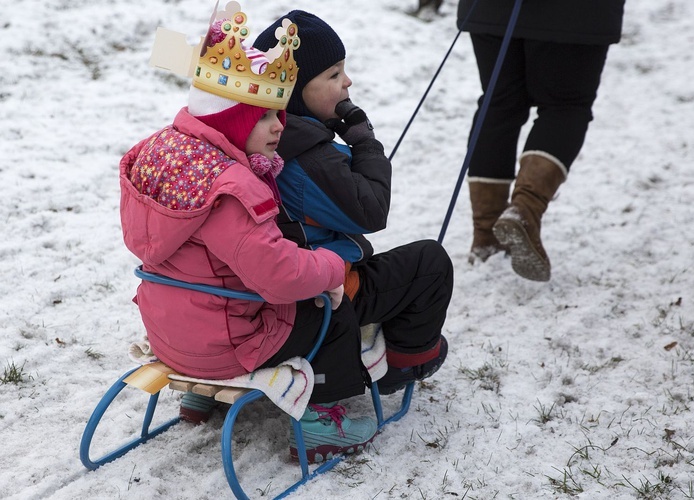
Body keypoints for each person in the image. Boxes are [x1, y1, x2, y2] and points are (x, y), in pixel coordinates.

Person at [120, 8, 378, 463]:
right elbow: (279, 276)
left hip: (168, 333)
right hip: (227, 345)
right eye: (264, 118)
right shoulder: (231, 188)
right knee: (327, 310)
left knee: (207, 277)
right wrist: (333, 266)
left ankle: (200, 398)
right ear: (235, 121)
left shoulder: (163, 155)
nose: (280, 126)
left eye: (279, 114)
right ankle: (323, 423)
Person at [254, 11, 453, 395]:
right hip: (321, 295)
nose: (347, 82)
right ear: (294, 92)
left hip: (268, 289)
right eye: (332, 75)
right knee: (430, 264)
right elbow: (370, 210)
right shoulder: (307, 157)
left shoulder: (257, 139)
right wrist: (364, 142)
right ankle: (402, 364)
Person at [458, 0, 625, 281]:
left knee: (499, 104)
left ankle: (486, 235)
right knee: (565, 106)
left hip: (492, 10)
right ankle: (525, 210)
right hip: (574, 14)